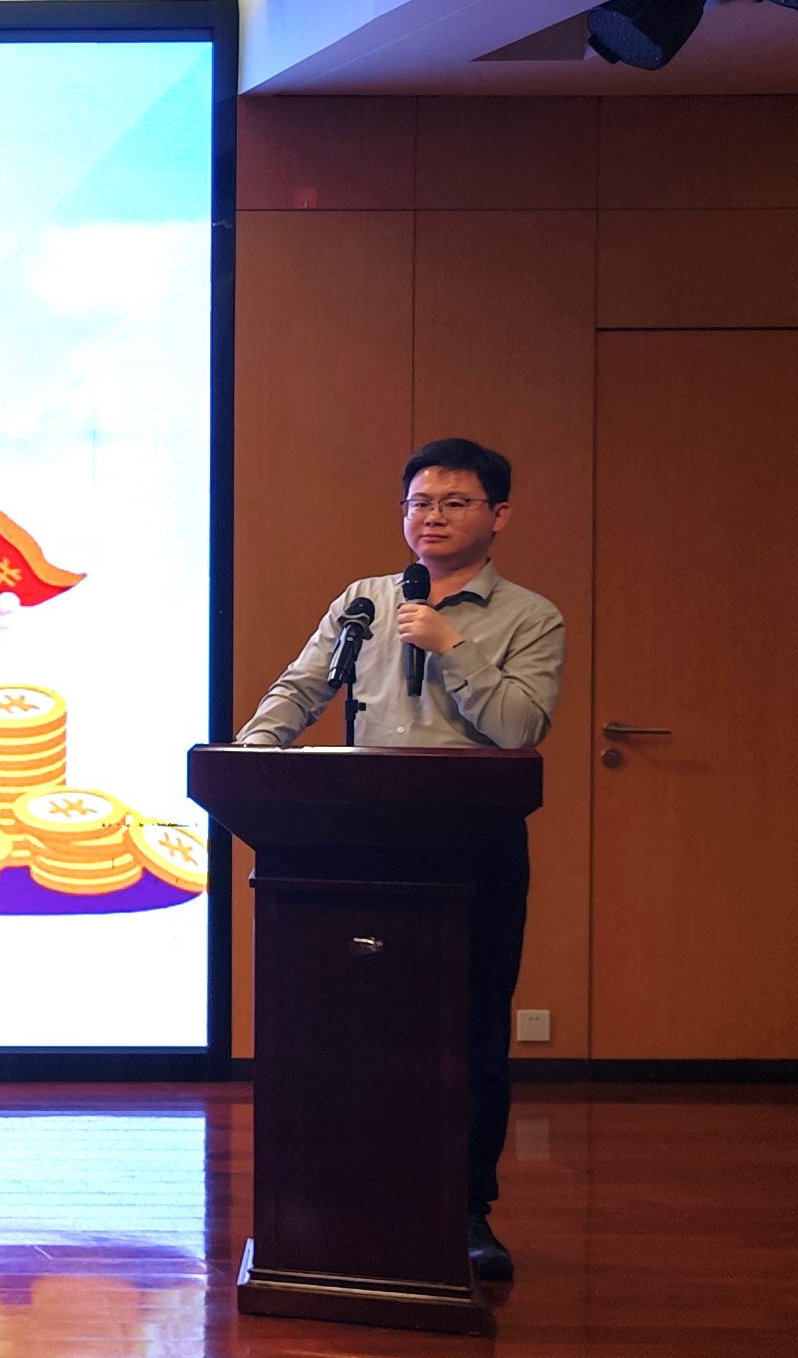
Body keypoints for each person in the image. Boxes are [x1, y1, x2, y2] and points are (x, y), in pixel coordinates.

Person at [234, 437, 565, 1287]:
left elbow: (519, 728)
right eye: (420, 503)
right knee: (351, 1025)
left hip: (473, 841)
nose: (433, 518)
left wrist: (453, 645)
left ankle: (466, 1209)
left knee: (470, 1031)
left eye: (455, 502)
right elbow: (304, 687)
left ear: (498, 515)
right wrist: (250, 756)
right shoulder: (365, 600)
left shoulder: (531, 617)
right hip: (359, 834)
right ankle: (341, 1198)